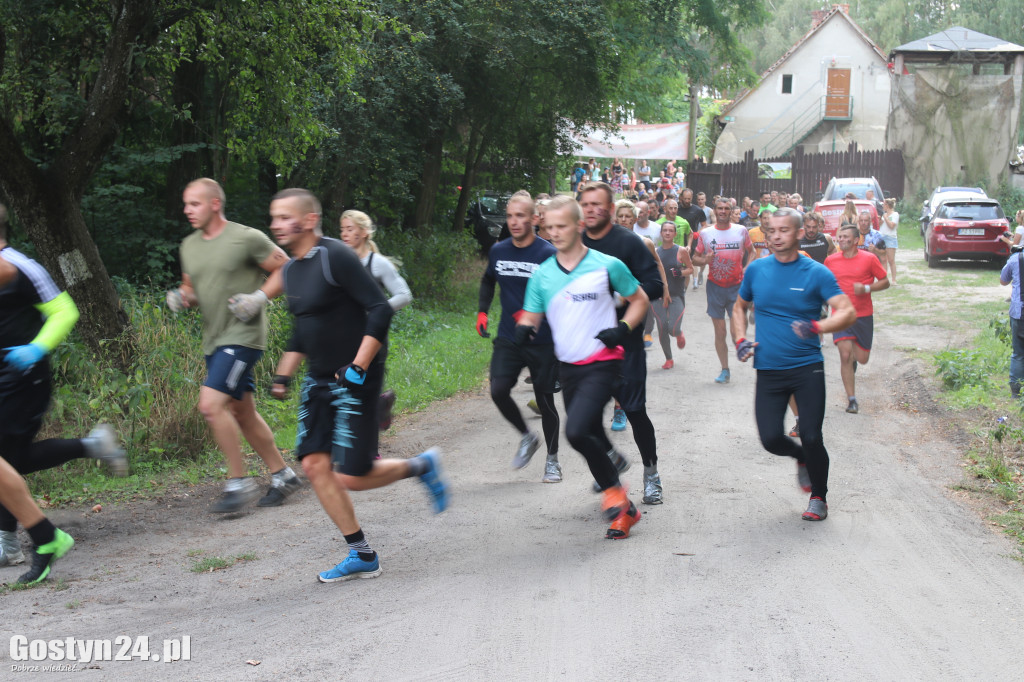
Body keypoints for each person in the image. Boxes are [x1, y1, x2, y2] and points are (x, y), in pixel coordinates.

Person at [268, 188, 449, 582]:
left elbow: (379, 308)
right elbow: (303, 329)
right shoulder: (291, 270)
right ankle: (362, 553)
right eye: (274, 217)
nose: (275, 224)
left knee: (351, 474)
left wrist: (358, 365)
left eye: (284, 217)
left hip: (357, 374)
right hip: (318, 377)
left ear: (309, 220)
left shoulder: (335, 256)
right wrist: (283, 374)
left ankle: (421, 465)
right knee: (315, 466)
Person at [0, 207, 126, 582]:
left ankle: (25, 539)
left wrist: (35, 349)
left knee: (6, 460)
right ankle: (91, 448)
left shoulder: (20, 266)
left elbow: (64, 311)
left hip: (25, 378)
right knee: (12, 460)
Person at [518, 195, 648, 538]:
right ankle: (622, 505)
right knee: (586, 432)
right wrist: (522, 331)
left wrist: (623, 328)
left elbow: (639, 300)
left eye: (562, 226)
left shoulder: (607, 265)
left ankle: (617, 498)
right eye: (549, 227)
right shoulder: (543, 275)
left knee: (575, 431)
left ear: (578, 226)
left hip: (604, 362)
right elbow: (532, 315)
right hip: (568, 366)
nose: (555, 232)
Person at [168, 178, 300, 513]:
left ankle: (237, 484)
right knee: (242, 411)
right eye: (185, 204)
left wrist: (258, 298)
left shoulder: (246, 237)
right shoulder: (189, 246)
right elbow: (193, 290)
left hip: (243, 337)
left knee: (211, 405)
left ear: (214, 204)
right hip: (214, 339)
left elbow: (287, 268)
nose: (187, 210)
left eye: (194, 204)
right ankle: (283, 475)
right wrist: (183, 298)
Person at [732, 208, 856, 522]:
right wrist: (740, 340)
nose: (775, 236)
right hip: (769, 370)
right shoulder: (757, 270)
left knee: (812, 435)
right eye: (771, 230)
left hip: (806, 368)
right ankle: (800, 457)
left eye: (783, 230)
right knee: (771, 439)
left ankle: (819, 497)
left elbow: (846, 311)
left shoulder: (816, 273)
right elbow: (739, 307)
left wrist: (818, 327)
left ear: (799, 233)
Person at [580, 183, 666, 505]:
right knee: (584, 419)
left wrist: (618, 294)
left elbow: (655, 284)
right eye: (585, 204)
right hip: (586, 342)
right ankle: (611, 463)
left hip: (624, 340)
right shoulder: (574, 243)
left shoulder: (627, 242)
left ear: (611, 208)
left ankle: (651, 474)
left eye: (598, 204)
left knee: (634, 411)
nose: (591, 210)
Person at [477, 193, 562, 482]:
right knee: (498, 390)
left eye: (521, 216)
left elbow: (560, 297)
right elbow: (489, 279)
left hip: (542, 340)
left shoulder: (548, 254)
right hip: (509, 338)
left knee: (545, 400)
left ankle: (552, 459)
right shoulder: (499, 251)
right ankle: (527, 436)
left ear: (535, 219)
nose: (514, 221)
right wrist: (482, 312)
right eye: (510, 216)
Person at [339, 210, 412, 433]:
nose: (344, 234)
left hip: (372, 338)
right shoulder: (340, 261)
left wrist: (378, 312)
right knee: (347, 388)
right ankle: (380, 404)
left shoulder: (377, 263)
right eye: (342, 229)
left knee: (361, 390)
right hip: (344, 336)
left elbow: (404, 295)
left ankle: (370, 451)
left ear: (364, 232)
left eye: (350, 229)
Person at [825, 224, 890, 414]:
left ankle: (854, 361)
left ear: (856, 240)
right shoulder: (830, 261)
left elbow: (885, 282)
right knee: (845, 355)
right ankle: (852, 400)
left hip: (863, 315)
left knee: (861, 359)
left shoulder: (869, 259)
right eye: (840, 236)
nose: (841, 240)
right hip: (841, 315)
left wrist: (867, 288)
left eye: (846, 237)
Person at [692, 198, 755, 384]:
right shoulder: (706, 233)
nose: (723, 211)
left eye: (726, 208)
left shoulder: (741, 231)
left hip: (737, 285)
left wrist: (746, 268)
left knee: (737, 330)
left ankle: (743, 348)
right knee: (720, 332)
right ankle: (725, 370)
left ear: (731, 211)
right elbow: (695, 258)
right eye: (720, 208)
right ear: (715, 211)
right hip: (715, 287)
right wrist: (705, 260)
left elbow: (752, 252)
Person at [654, 221, 692, 369]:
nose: (668, 233)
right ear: (661, 233)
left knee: (673, 328)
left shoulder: (681, 250)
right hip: (658, 296)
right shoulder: (655, 252)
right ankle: (668, 358)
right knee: (662, 326)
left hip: (676, 294)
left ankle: (679, 333)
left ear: (675, 234)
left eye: (671, 231)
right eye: (665, 230)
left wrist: (680, 272)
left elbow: (690, 269)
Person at [1000, 245, 1024, 397]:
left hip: (1019, 312)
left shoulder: (1016, 258)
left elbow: (1003, 281)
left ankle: (1016, 392)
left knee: (1018, 353)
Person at [678, 189, 709, 288]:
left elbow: (704, 225)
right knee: (678, 263)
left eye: (689, 199)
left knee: (689, 263)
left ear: (692, 198)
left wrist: (697, 233)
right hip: (678, 239)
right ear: (681, 197)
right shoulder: (676, 209)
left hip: (692, 240)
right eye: (685, 198)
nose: (687, 201)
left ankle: (690, 282)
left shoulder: (697, 210)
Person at [879, 198, 899, 285]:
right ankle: (884, 279)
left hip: (890, 238)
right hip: (882, 237)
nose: (883, 206)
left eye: (884, 205)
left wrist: (886, 218)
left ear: (887, 205)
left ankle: (894, 279)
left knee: (891, 260)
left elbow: (891, 225)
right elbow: (879, 225)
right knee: (883, 259)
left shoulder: (895, 214)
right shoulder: (884, 215)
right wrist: (880, 220)